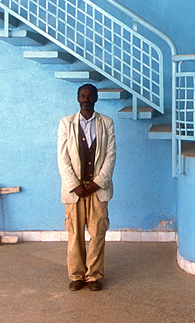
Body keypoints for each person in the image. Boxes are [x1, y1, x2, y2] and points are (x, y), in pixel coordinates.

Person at [57, 83, 116, 291]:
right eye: (83, 95)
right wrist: (75, 185)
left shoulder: (107, 123)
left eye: (90, 95)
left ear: (96, 98)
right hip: (75, 191)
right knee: (74, 233)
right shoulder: (66, 123)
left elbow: (110, 155)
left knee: (98, 232)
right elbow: (62, 159)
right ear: (78, 98)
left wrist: (98, 182)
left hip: (97, 189)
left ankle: (94, 276)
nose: (86, 98)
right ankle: (76, 275)